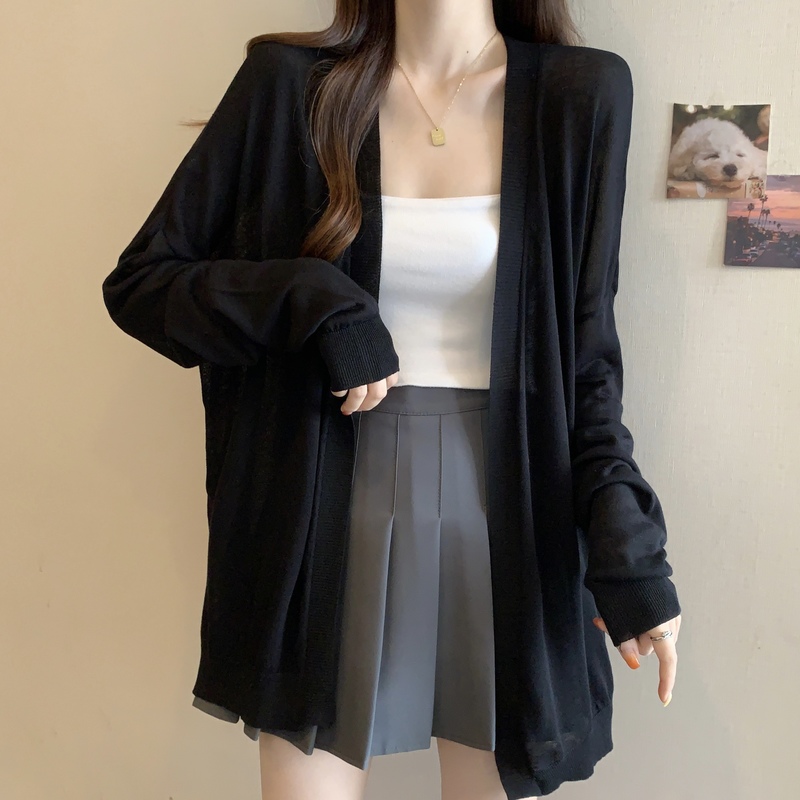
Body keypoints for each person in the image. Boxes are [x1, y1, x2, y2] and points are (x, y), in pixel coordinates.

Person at [101, 1, 682, 799]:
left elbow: (586, 362)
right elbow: (144, 283)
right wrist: (315, 302)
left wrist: (631, 554)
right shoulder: (289, 88)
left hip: (512, 519)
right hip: (321, 511)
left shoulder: (580, 94)